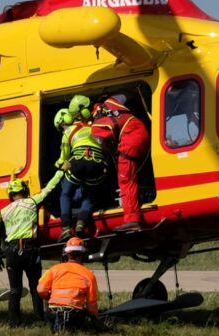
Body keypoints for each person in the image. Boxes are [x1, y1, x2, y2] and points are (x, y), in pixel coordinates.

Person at [0, 162, 69, 327]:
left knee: (15, 290)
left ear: (10, 195)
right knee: (36, 287)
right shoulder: (32, 202)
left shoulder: (2, 212)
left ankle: (14, 322)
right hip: (30, 251)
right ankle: (40, 318)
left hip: (11, 253)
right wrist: (61, 171)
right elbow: (49, 188)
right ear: (24, 192)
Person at [91, 94, 150, 233]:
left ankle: (132, 220)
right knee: (134, 173)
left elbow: (102, 145)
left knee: (125, 180)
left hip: (129, 140)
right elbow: (125, 95)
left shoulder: (96, 126)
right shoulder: (112, 101)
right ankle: (142, 198)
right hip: (142, 131)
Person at [37, 237, 99, 333]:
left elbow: (41, 290)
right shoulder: (88, 275)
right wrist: (95, 320)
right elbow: (92, 306)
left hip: (52, 313)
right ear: (83, 255)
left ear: (67, 254)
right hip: (74, 315)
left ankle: (58, 328)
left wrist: (49, 297)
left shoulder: (54, 269)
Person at [55, 96, 91, 241]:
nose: (62, 129)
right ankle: (81, 223)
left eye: (61, 126)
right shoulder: (89, 126)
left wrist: (57, 166)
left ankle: (65, 227)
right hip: (93, 163)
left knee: (65, 194)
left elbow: (63, 159)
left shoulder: (67, 133)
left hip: (76, 166)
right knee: (89, 194)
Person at [67, 123, 112, 235]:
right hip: (89, 179)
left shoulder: (71, 132)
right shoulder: (96, 130)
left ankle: (68, 225)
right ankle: (81, 222)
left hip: (77, 180)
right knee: (90, 198)